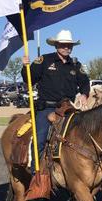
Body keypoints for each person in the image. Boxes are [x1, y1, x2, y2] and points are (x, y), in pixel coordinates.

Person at [22, 30, 90, 163]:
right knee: (40, 139)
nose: (66, 47)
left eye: (69, 45)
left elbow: (84, 82)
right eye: (63, 45)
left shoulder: (76, 64)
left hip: (69, 108)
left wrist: (84, 94)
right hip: (47, 108)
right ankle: (36, 173)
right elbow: (29, 79)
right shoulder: (44, 60)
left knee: (84, 136)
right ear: (56, 45)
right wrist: (25, 67)